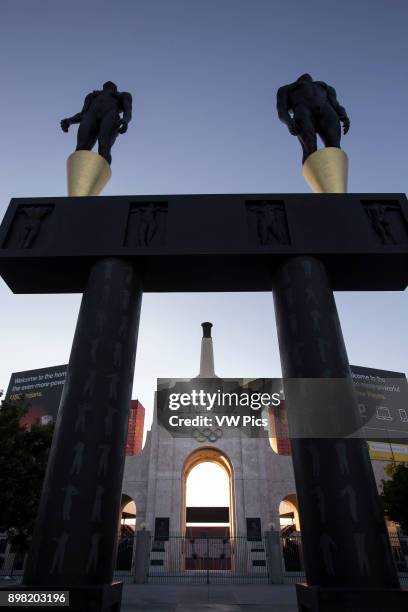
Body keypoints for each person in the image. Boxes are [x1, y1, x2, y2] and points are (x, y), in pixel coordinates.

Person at [277, 73, 350, 163]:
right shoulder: (286, 88)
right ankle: (314, 174)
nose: (307, 75)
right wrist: (288, 121)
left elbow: (335, 104)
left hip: (325, 109)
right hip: (302, 109)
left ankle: (334, 175)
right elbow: (281, 110)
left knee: (334, 147)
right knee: (309, 148)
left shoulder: (324, 86)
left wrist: (344, 115)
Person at [60, 81, 132, 165]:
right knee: (81, 148)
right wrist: (69, 120)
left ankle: (100, 174)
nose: (109, 84)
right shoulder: (92, 95)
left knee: (104, 146)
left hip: (110, 115)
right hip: (91, 115)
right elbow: (82, 114)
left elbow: (128, 110)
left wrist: (125, 120)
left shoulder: (123, 95)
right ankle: (80, 175)